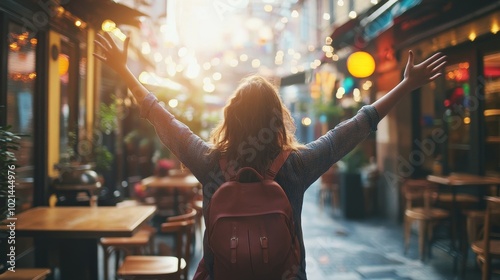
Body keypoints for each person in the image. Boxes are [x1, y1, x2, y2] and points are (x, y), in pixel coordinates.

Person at [94, 32, 446, 279]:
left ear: (230, 117)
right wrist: (405, 85)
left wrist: (124, 70)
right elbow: (357, 126)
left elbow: (161, 117)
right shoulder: (297, 164)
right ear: (277, 119)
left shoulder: (209, 161)